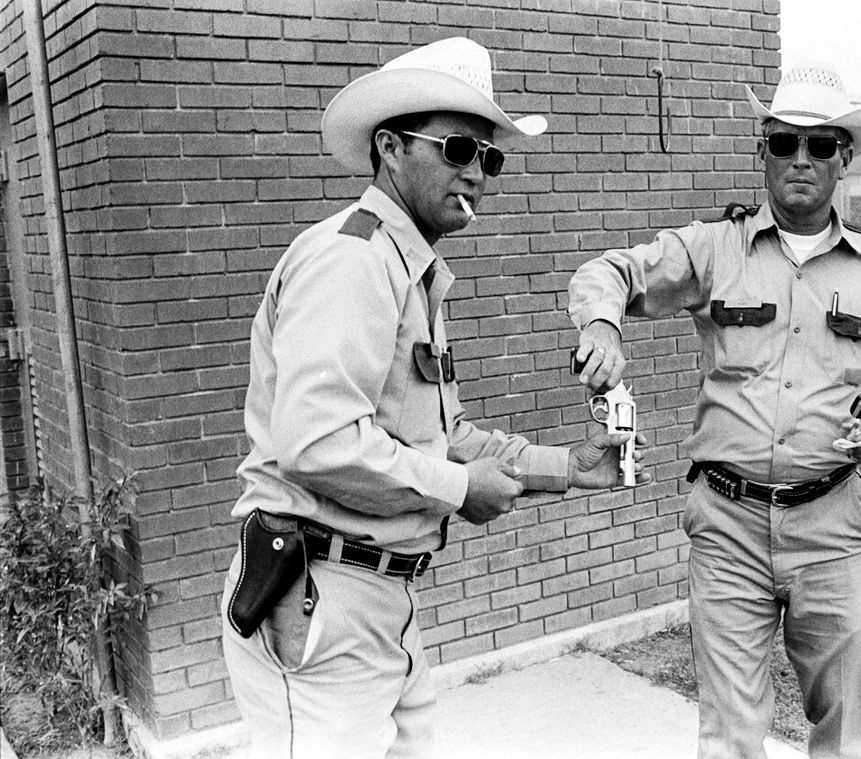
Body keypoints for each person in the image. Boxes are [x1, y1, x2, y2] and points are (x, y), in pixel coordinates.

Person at [220, 37, 644, 759]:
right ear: (389, 147)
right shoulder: (353, 261)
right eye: (456, 148)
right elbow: (316, 442)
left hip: (378, 599)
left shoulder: (408, 269)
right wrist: (456, 490)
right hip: (324, 593)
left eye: (490, 156)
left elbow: (439, 439)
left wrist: (571, 466)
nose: (477, 172)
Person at [568, 61, 861, 759]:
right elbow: (610, 272)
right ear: (761, 151)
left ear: (844, 158)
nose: (801, 158)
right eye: (783, 142)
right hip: (728, 526)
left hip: (833, 524)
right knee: (730, 735)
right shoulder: (714, 249)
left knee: (849, 728)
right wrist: (603, 326)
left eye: (820, 144)